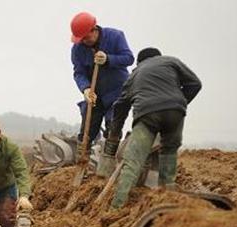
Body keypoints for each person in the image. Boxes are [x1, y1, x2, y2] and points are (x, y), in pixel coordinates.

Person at [107, 47, 202, 208]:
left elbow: (121, 106)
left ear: (139, 62)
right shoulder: (171, 61)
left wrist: (114, 133)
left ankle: (116, 207)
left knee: (133, 161)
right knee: (168, 152)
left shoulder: (135, 74)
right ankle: (167, 197)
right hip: (175, 113)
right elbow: (195, 84)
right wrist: (179, 102)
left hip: (147, 115)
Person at [70, 12, 134, 155]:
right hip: (95, 94)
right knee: (87, 131)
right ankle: (83, 159)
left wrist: (108, 59)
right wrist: (85, 89)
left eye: (86, 38)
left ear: (94, 30)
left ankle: (109, 161)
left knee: (113, 128)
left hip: (118, 92)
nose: (84, 41)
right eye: (81, 39)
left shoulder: (115, 36)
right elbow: (79, 72)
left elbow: (129, 58)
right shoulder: (77, 49)